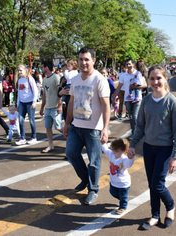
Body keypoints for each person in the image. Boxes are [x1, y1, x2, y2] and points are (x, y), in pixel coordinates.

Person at [128, 65, 176, 230]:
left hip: (165, 149)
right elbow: (140, 127)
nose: (155, 82)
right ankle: (154, 215)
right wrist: (132, 145)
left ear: (165, 79)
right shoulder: (146, 101)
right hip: (148, 148)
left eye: (158, 78)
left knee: (157, 184)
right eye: (152, 78)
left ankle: (170, 206)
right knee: (151, 183)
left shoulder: (172, 102)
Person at [63, 47, 110, 205]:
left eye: (86, 59)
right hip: (77, 126)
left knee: (94, 161)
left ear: (93, 61)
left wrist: (105, 128)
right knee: (71, 153)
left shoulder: (99, 80)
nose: (83, 62)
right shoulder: (75, 79)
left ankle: (93, 189)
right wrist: (67, 123)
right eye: (81, 59)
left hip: (94, 129)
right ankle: (85, 179)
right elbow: (71, 102)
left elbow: (106, 106)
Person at [112, 59, 147, 135]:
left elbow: (145, 85)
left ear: (133, 64)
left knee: (135, 116)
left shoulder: (138, 73)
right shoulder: (123, 75)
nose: (128, 66)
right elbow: (119, 87)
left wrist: (135, 87)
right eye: (127, 64)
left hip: (137, 98)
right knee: (131, 117)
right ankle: (134, 130)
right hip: (127, 98)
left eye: (129, 64)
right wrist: (114, 96)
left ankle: (135, 133)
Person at [101, 138, 134, 215]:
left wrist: (131, 158)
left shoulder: (124, 159)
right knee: (113, 192)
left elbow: (129, 164)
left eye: (117, 151)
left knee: (122, 196)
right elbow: (105, 149)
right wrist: (102, 143)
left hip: (123, 183)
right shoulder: (111, 154)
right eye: (113, 150)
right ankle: (123, 199)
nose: (114, 152)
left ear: (124, 151)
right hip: (114, 182)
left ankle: (123, 206)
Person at [39, 60, 62, 153]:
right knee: (48, 127)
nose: (41, 69)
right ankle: (50, 145)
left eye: (42, 67)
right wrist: (42, 107)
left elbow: (59, 92)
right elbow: (44, 95)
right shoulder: (44, 80)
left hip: (55, 107)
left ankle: (71, 141)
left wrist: (59, 105)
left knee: (59, 127)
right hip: (48, 107)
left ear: (46, 67)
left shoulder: (56, 77)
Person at [15, 65, 38, 145]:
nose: (19, 72)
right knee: (21, 120)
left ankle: (34, 137)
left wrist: (34, 102)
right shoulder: (19, 80)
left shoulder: (30, 79)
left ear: (25, 70)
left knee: (31, 120)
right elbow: (19, 93)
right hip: (22, 102)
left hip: (30, 102)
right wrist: (18, 104)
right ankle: (22, 138)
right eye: (18, 70)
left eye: (21, 70)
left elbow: (35, 90)